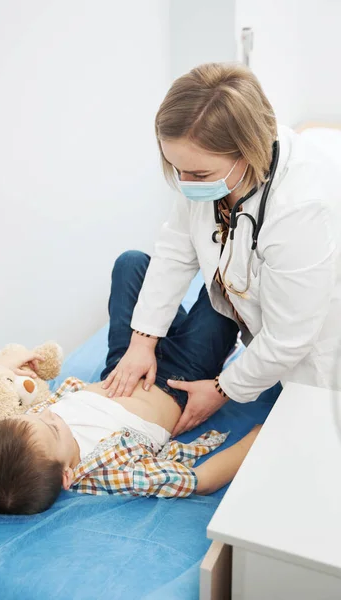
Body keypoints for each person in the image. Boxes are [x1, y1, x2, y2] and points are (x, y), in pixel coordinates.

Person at [103, 62, 341, 435]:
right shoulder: (206, 168)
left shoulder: (302, 207)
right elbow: (175, 251)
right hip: (252, 325)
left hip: (317, 357)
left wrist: (222, 389)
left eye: (198, 175)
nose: (185, 184)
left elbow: (289, 337)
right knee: (133, 265)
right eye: (175, 168)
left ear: (248, 151)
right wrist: (142, 340)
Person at [0, 256, 261, 514]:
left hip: (123, 365)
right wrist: (257, 440)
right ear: (67, 476)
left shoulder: (21, 441)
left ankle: (167, 328)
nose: (49, 413)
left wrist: (1, 367)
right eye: (53, 428)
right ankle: (209, 341)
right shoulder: (111, 472)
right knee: (228, 286)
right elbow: (201, 481)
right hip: (179, 379)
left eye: (32, 415)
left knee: (130, 263)